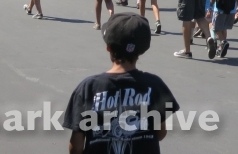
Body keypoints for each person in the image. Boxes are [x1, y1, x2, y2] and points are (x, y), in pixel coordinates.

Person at [64, 13, 178, 154]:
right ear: (141, 51)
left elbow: (76, 146)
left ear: (109, 48)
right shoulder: (155, 85)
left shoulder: (88, 88)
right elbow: (160, 134)